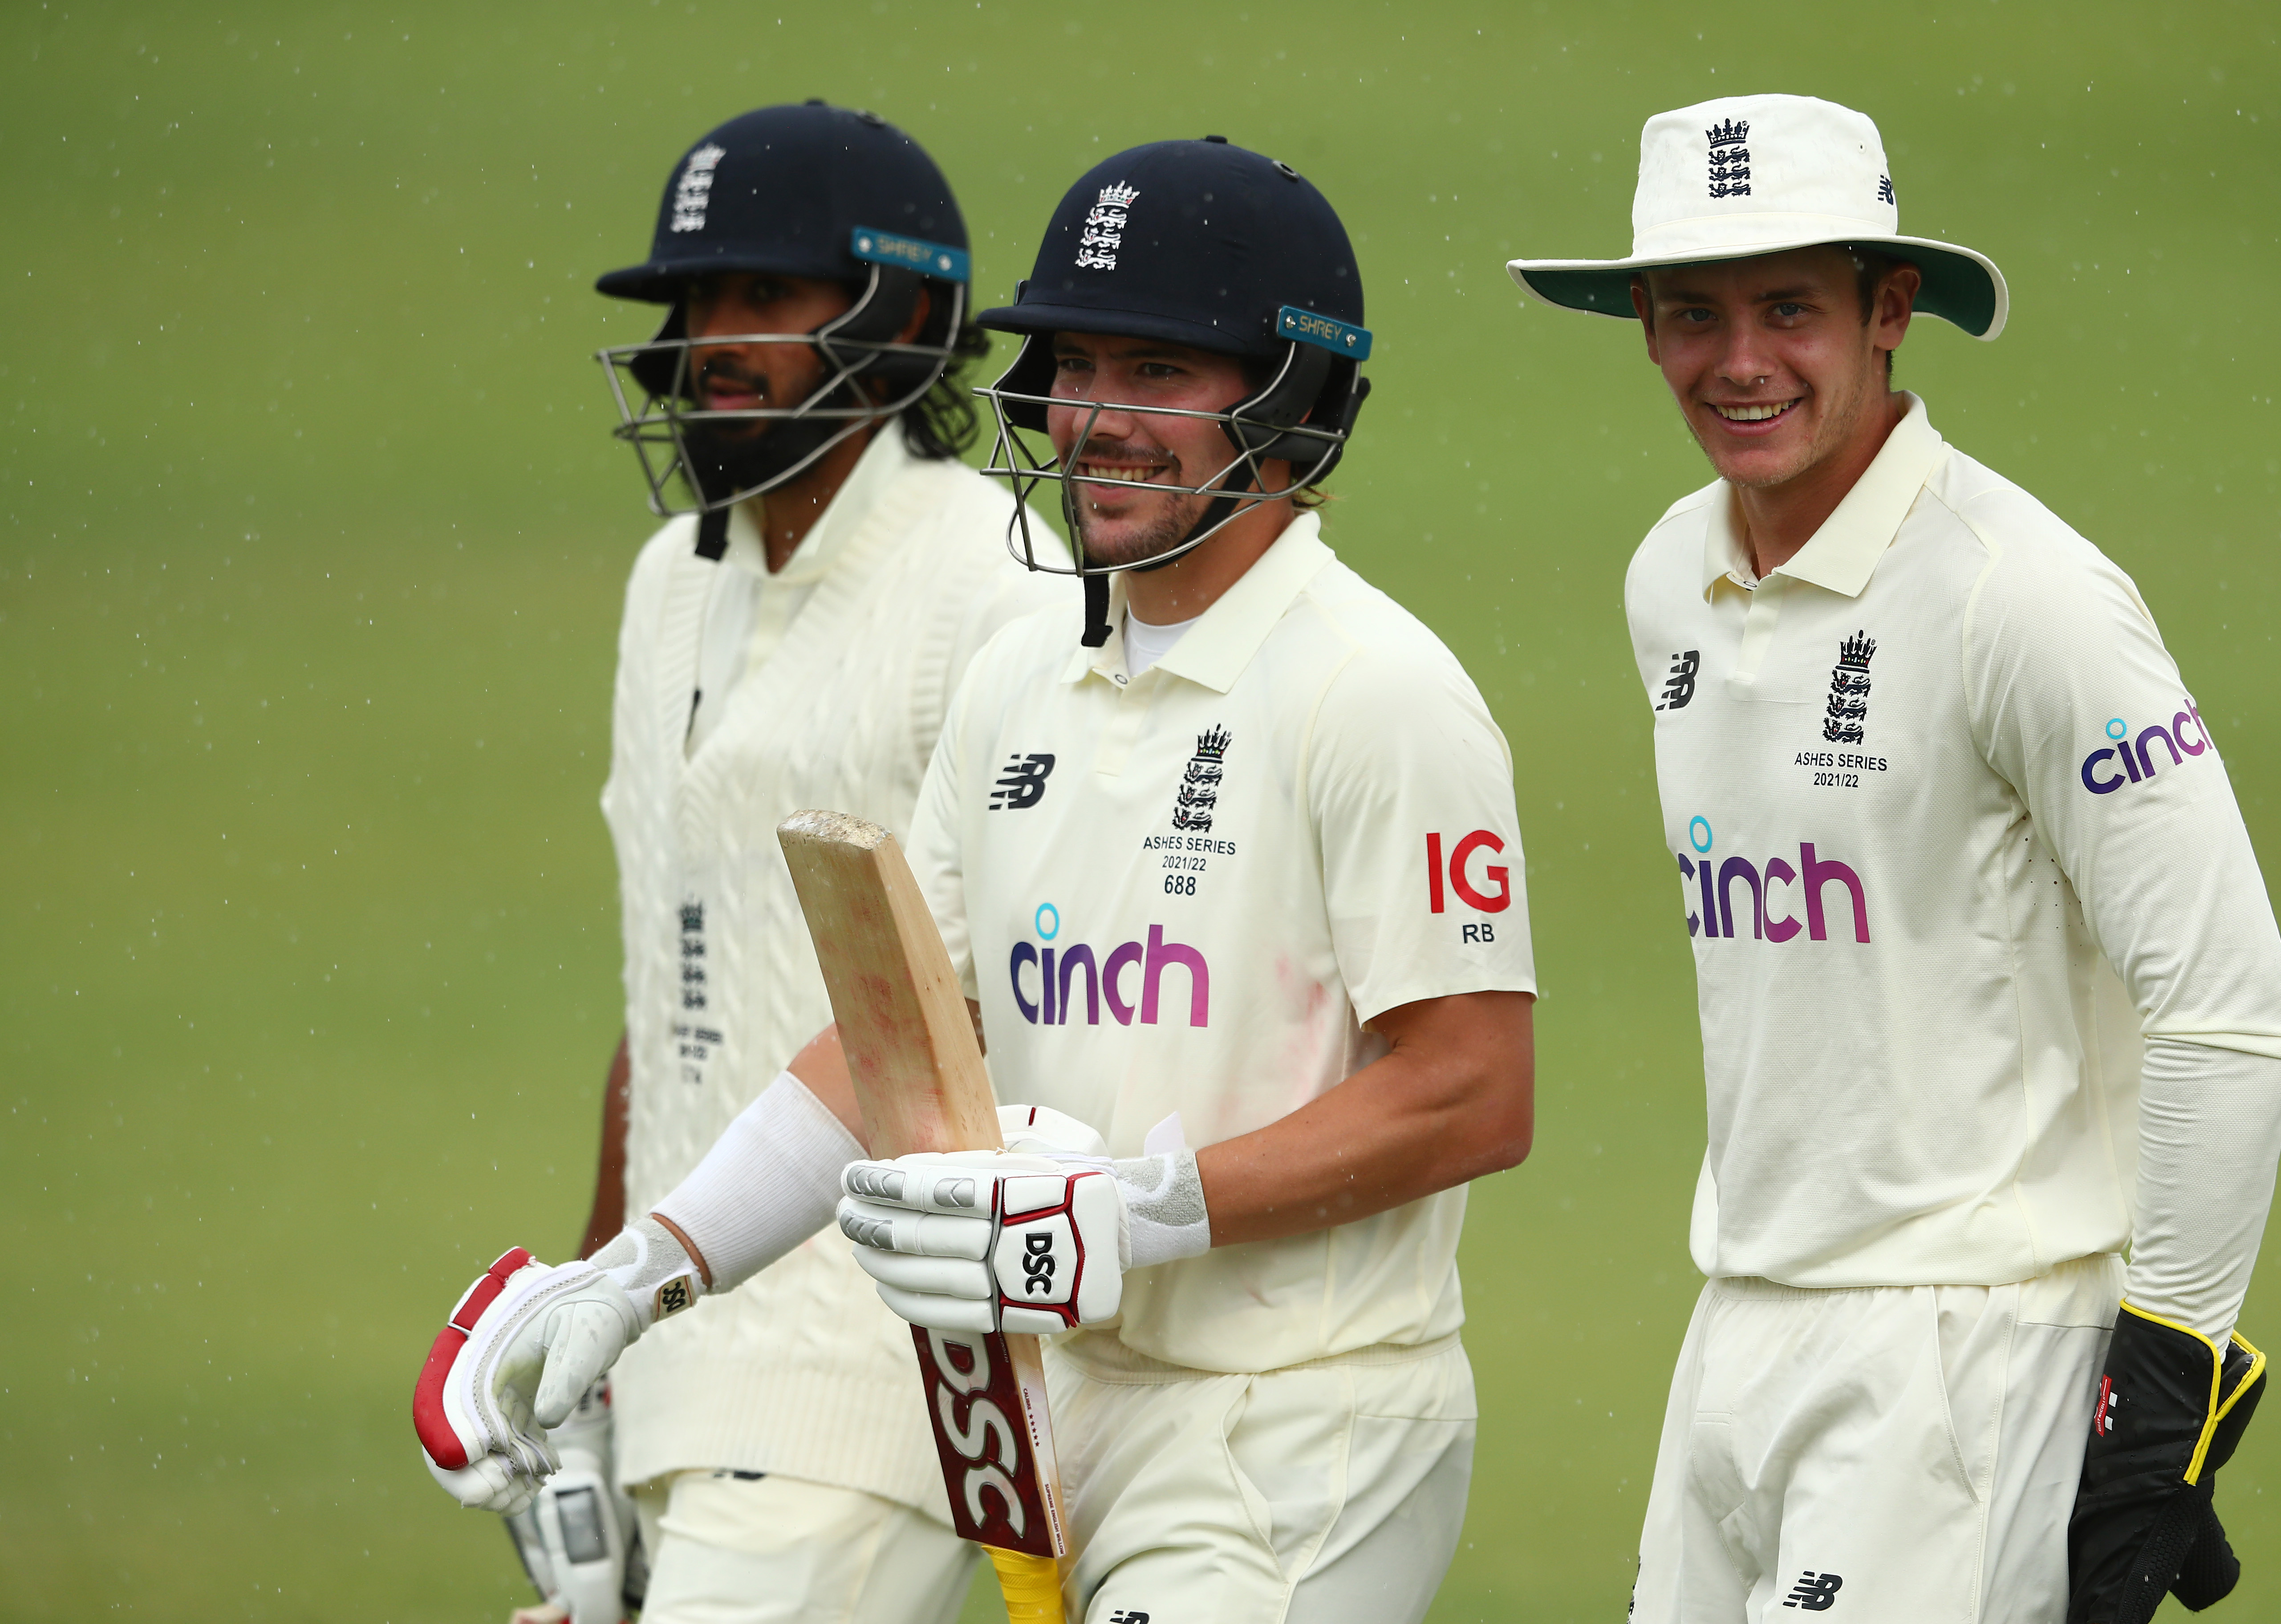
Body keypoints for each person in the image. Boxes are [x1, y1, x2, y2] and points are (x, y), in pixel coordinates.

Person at [414, 134, 1538, 1624]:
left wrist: (1141, 1212)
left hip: (1301, 1422)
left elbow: (1475, 1090)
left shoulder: (1377, 689)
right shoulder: (1024, 678)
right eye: (1075, 364)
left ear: (1295, 399)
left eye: (1161, 373)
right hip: (1069, 1413)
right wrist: (637, 1277)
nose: (1096, 420)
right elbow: (899, 1030)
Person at [1507, 95, 2281, 1622]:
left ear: (1890, 314)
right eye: (1693, 314)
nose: (1739, 363)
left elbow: (2230, 1006)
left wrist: (2163, 1392)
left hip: (1968, 1351)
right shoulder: (1667, 573)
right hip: (1739, 1314)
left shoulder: (2028, 599)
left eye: (1789, 308)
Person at [421, 100, 1066, 1624]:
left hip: (877, 1373)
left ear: (909, 319)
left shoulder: (995, 578)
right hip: (678, 1364)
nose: (715, 338)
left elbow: (1013, 997)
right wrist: (587, 1323)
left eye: (765, 299)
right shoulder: (668, 591)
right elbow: (674, 990)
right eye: (697, 303)